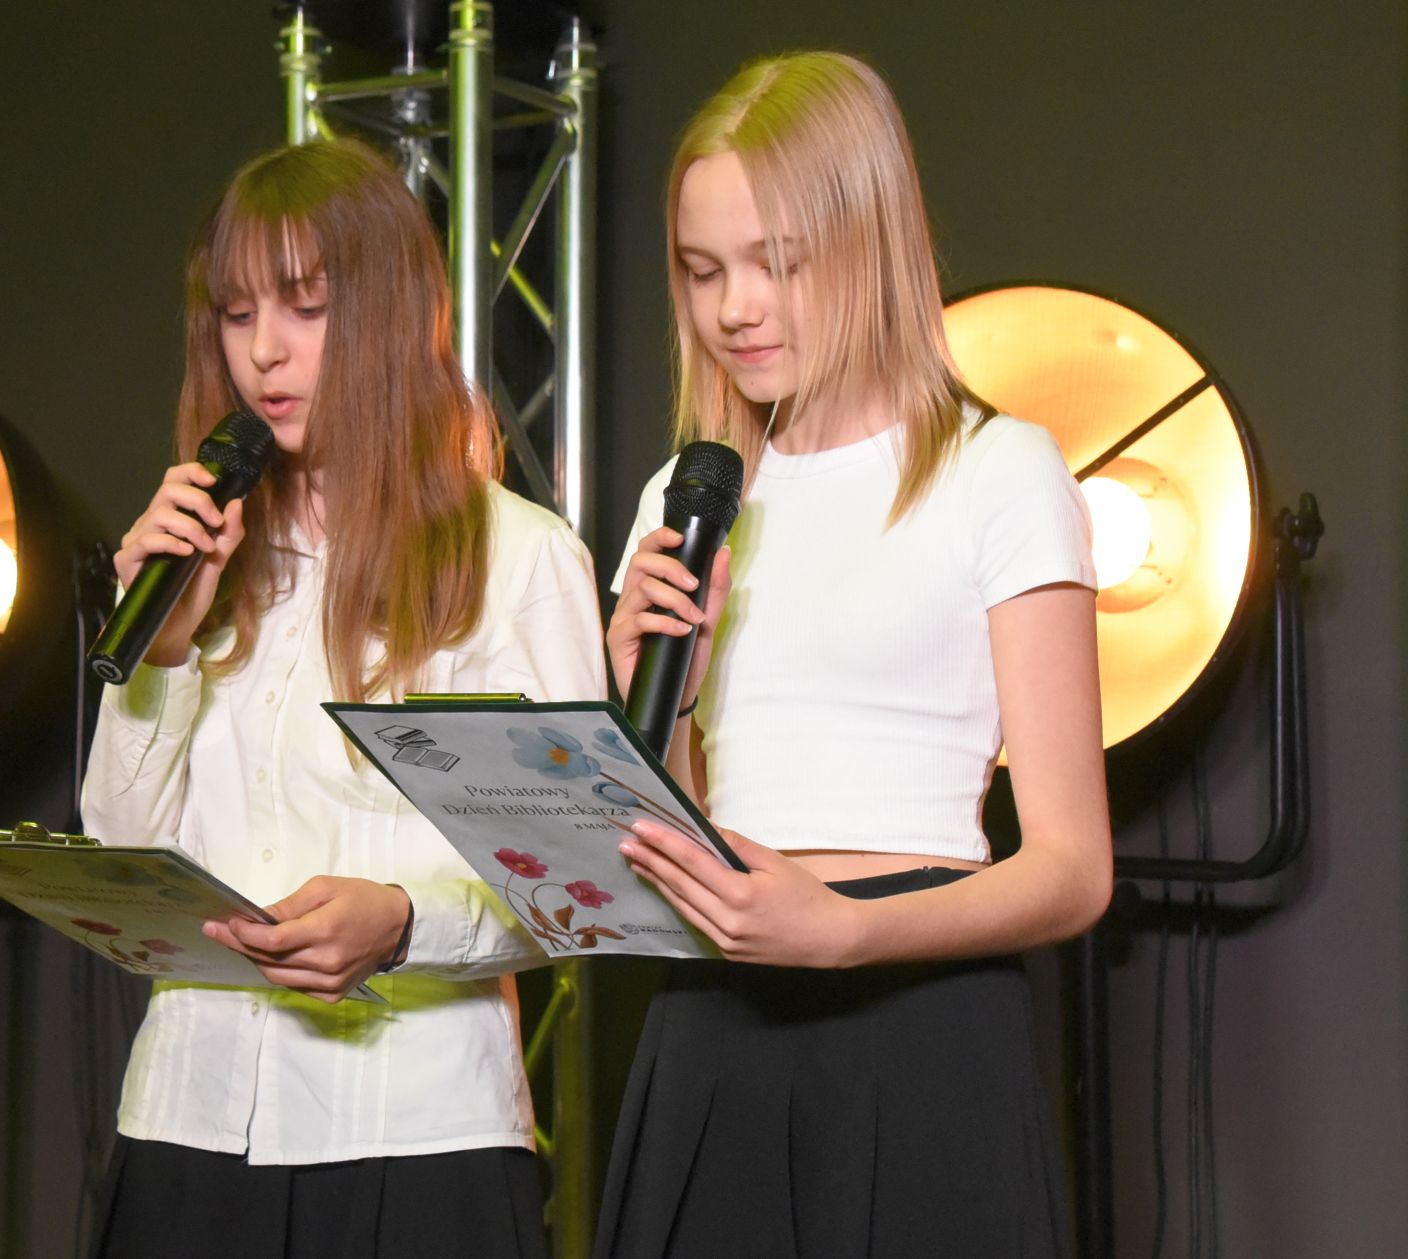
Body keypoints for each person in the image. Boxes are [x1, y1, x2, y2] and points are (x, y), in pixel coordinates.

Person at [597, 52, 1112, 1257]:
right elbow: (668, 840)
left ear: (868, 239)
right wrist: (647, 697)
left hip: (919, 1024)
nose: (735, 307)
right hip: (711, 1020)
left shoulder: (998, 470)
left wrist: (844, 928)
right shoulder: (684, 496)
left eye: (776, 262)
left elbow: (1073, 869)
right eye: (703, 270)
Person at [79, 138, 603, 1258]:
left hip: (417, 1140)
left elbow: (575, 887)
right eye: (235, 314)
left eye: (306, 308)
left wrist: (405, 920)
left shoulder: (517, 559)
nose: (263, 350)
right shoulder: (202, 557)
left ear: (390, 313)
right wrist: (163, 646)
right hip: (186, 1122)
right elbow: (122, 849)